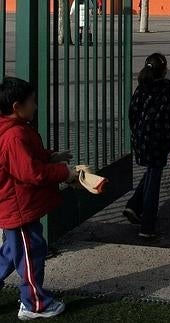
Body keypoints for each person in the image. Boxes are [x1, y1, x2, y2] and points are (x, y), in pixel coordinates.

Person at [0, 77, 79, 320]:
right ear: (16, 106)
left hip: (17, 205)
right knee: (31, 252)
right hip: (20, 207)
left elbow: (30, 157)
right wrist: (64, 173)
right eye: (32, 102)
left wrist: (51, 156)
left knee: (11, 253)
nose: (35, 107)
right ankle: (34, 303)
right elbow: (30, 171)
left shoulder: (15, 129)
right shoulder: (14, 136)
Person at [122, 53, 170, 238]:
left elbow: (132, 114)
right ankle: (147, 227)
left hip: (141, 140)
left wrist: (138, 134)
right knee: (154, 182)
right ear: (164, 70)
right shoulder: (169, 92)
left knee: (151, 173)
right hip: (159, 141)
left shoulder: (141, 89)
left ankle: (133, 205)